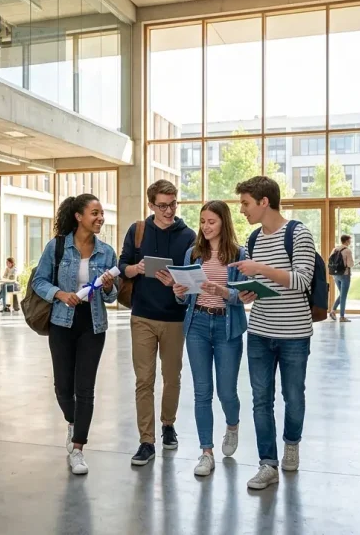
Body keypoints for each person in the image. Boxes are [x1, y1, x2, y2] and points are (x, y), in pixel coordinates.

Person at [233, 176, 315, 491]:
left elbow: (302, 281)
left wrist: (260, 270)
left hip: (294, 334)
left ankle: (291, 442)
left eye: (246, 203)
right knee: (260, 400)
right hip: (259, 332)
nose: (242, 210)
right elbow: (265, 287)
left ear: (264, 201)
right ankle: (268, 463)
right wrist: (249, 293)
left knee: (293, 397)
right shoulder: (253, 239)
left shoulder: (299, 234)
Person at [31, 194, 118, 475]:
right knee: (62, 387)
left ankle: (79, 448)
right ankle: (73, 421)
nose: (100, 218)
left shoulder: (106, 252)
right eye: (94, 213)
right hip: (61, 321)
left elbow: (112, 296)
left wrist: (107, 287)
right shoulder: (57, 247)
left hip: (93, 324)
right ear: (79, 216)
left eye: (102, 213)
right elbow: (39, 280)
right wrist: (60, 293)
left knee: (86, 388)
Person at [118, 179, 196, 466]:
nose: (168, 210)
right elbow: (122, 266)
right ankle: (146, 441)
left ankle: (168, 424)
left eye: (173, 204)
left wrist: (178, 280)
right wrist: (136, 268)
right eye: (162, 205)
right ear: (151, 205)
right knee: (144, 380)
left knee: (172, 377)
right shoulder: (137, 231)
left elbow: (194, 276)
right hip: (142, 317)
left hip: (175, 318)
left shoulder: (188, 235)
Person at [172, 201, 249, 477]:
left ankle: (232, 424)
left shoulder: (240, 254)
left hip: (227, 325)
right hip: (197, 325)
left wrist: (220, 290)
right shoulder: (193, 253)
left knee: (226, 391)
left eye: (211, 222)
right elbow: (183, 296)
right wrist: (179, 291)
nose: (205, 226)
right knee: (202, 391)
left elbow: (243, 297)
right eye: (203, 221)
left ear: (224, 224)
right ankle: (206, 451)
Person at [329, 235, 355, 322]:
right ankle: (342, 317)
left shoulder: (335, 249)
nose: (350, 242)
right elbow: (350, 264)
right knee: (343, 296)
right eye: (349, 240)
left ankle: (333, 311)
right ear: (346, 241)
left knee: (342, 294)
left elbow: (330, 260)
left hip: (336, 275)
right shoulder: (347, 251)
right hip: (345, 275)